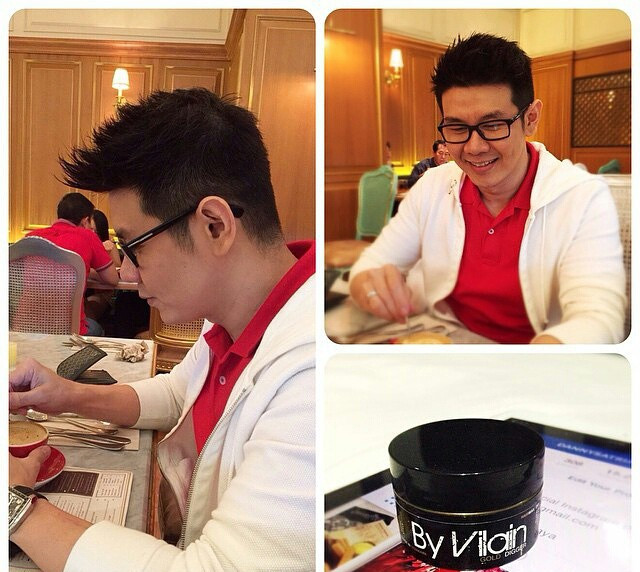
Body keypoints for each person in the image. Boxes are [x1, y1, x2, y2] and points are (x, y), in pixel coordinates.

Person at [9, 88, 315, 571]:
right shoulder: (234, 314)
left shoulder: (312, 375)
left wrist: (14, 507)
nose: (126, 273)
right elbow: (178, 393)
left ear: (214, 225)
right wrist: (66, 394)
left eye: (134, 246)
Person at [349, 33, 625, 344]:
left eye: (493, 125)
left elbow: (600, 318)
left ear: (531, 118)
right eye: (457, 127)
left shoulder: (582, 197)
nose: (474, 147)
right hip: (444, 341)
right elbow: (371, 265)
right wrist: (369, 287)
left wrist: (543, 357)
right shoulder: (433, 187)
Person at [26, 193, 119, 335]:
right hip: (69, 330)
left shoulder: (30, 237)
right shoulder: (88, 237)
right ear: (85, 221)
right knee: (97, 329)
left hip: (26, 329)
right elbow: (112, 279)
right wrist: (85, 270)